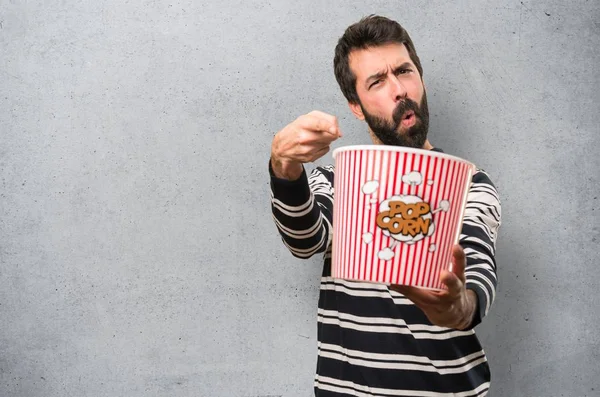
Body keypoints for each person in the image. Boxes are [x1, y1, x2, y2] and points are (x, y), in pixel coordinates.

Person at [269, 15, 501, 396]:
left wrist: (458, 306)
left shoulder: (470, 183)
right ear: (356, 106)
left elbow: (476, 275)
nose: (399, 89)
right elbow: (304, 239)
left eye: (405, 71)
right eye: (377, 81)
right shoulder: (335, 179)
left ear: (420, 79)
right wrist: (284, 164)